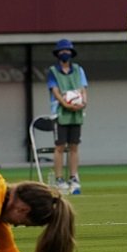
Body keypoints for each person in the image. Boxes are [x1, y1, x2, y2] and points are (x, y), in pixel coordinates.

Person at [47, 39, 88, 195]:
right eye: (62, 51)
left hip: (76, 113)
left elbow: (83, 89)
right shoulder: (53, 71)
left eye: (68, 51)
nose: (65, 53)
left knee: (74, 146)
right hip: (60, 113)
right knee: (59, 146)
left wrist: (83, 102)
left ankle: (73, 178)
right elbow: (55, 91)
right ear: (58, 54)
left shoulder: (78, 70)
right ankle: (59, 179)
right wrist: (66, 103)